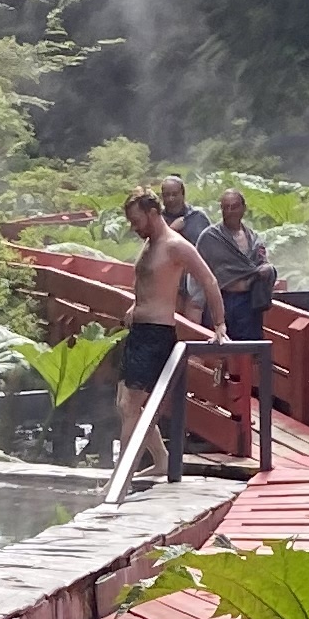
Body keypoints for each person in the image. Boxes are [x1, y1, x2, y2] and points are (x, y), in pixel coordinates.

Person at [117, 185, 225, 482]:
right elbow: (149, 286)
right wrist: (133, 306)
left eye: (137, 221)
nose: (133, 227)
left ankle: (120, 480)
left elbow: (209, 280)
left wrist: (219, 325)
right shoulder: (150, 244)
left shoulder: (175, 245)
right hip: (139, 330)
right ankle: (161, 460)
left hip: (156, 334)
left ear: (153, 214)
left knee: (132, 406)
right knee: (124, 405)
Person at [194, 185, 277, 470]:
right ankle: (225, 408)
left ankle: (246, 408)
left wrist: (264, 271)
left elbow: (262, 263)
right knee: (226, 356)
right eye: (224, 207)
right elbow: (205, 272)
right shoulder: (211, 238)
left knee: (250, 355)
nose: (229, 212)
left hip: (249, 304)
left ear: (243, 208)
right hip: (225, 301)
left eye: (234, 207)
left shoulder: (252, 238)